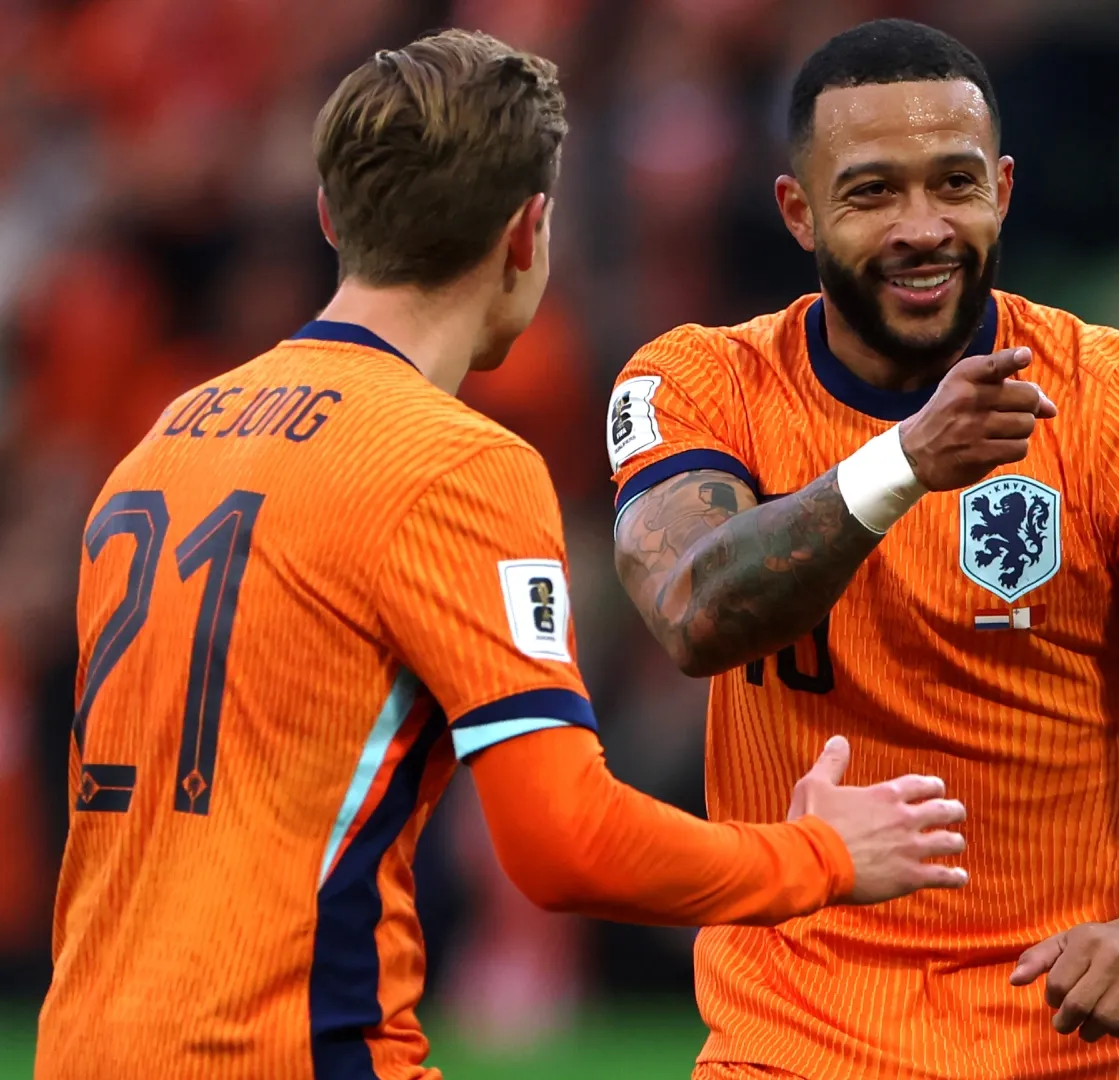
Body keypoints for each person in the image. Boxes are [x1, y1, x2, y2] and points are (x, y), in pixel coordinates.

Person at [36, 30, 969, 1080]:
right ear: (529, 233)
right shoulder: (455, 465)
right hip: (292, 1053)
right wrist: (821, 857)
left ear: (331, 216)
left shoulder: (164, 441)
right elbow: (563, 842)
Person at [607, 18, 1119, 1080]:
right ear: (798, 213)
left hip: (1054, 1043)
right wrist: (901, 465)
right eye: (871, 193)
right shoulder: (705, 384)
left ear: (1005, 190)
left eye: (954, 184)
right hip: (785, 1046)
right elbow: (692, 612)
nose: (921, 226)